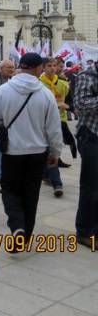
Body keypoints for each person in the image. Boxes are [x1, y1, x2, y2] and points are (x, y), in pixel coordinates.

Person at [0, 53, 63, 245]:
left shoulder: (4, 90)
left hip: (12, 150)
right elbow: (54, 128)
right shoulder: (45, 94)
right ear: (38, 68)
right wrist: (56, 152)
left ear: (21, 66)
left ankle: (17, 225)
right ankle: (25, 234)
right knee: (31, 192)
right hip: (38, 152)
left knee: (10, 189)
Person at [73, 59, 98, 249]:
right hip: (91, 137)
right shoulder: (86, 76)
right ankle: (85, 232)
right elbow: (79, 105)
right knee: (91, 187)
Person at [39, 58, 68, 197]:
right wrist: (57, 105)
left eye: (54, 65)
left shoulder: (62, 83)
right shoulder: (39, 84)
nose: (52, 68)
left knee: (52, 150)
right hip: (42, 122)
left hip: (59, 120)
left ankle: (51, 178)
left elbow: (68, 99)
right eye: (49, 65)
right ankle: (57, 182)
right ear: (43, 68)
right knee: (48, 151)